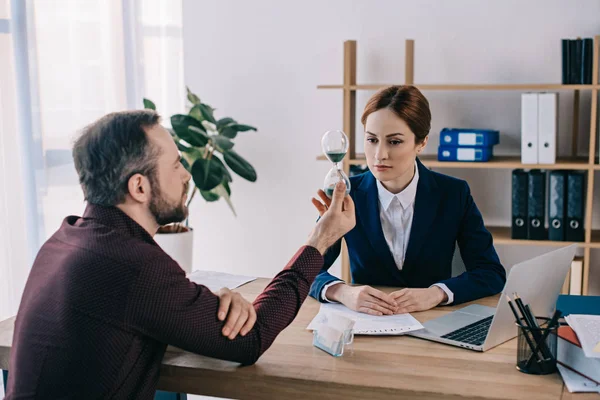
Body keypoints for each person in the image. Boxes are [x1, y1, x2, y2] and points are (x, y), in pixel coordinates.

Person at [6, 110, 355, 399]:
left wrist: (200, 302)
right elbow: (252, 339)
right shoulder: (133, 265)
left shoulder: (64, 240)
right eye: (175, 165)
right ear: (139, 187)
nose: (187, 174)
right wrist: (319, 241)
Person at [309, 85, 506, 315]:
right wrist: (343, 292)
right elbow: (306, 269)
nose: (380, 154)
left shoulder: (453, 193)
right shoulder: (347, 193)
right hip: (367, 326)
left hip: (432, 324)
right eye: (372, 140)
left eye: (394, 142)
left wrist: (437, 293)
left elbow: (490, 272)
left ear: (421, 143)